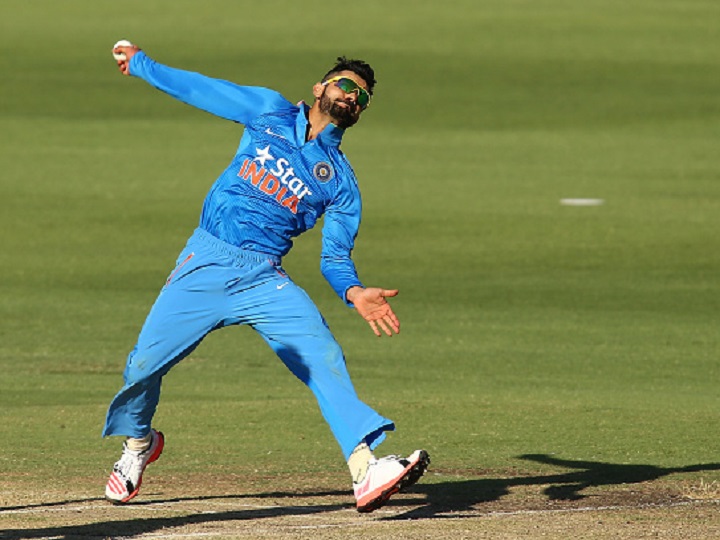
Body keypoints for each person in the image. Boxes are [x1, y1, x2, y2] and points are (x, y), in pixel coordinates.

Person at [103, 41, 429, 514]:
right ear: (319, 88)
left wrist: (354, 290)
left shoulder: (339, 182)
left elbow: (335, 260)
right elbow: (202, 90)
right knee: (142, 367)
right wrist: (142, 65)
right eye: (344, 85)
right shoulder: (268, 111)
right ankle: (137, 446)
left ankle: (365, 468)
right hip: (207, 261)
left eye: (361, 97)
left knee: (321, 353)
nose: (351, 96)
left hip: (263, 279)